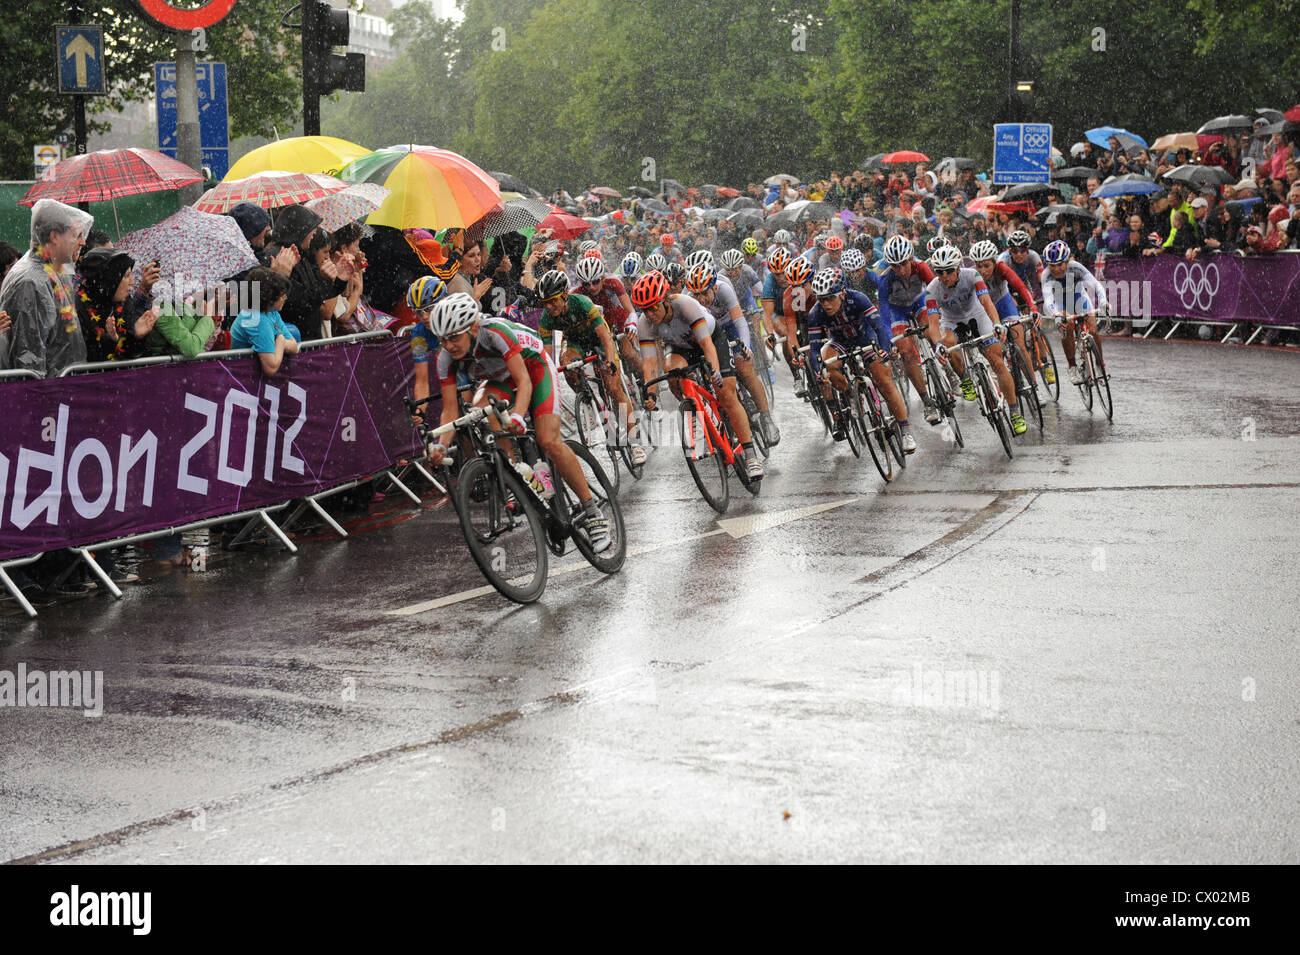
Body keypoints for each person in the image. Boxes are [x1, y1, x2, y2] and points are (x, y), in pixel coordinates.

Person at [424, 293, 613, 551]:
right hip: (499, 379)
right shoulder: (445, 358)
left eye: (454, 337)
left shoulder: (494, 333)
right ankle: (516, 470)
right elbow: (449, 410)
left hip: (534, 368)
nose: (449, 346)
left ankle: (592, 514)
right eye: (443, 340)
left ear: (473, 328)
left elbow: (524, 381)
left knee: (548, 440)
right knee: (477, 413)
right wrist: (442, 445)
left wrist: (517, 415)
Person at [806, 267, 916, 452]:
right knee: (827, 364)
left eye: (830, 298)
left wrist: (883, 350)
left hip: (866, 337)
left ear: (841, 293)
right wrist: (819, 372)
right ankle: (851, 394)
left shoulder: (857, 298)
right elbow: (815, 348)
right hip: (839, 341)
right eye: (821, 299)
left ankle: (905, 432)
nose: (825, 304)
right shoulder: (815, 313)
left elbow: (880, 327)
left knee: (885, 381)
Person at [925, 244, 1026, 435]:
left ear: (957, 268)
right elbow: (932, 323)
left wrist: (996, 323)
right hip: (952, 322)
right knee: (946, 345)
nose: (944, 275)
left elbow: (986, 301)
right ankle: (965, 378)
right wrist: (938, 345)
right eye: (939, 271)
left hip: (977, 316)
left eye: (948, 270)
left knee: (997, 361)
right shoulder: (932, 289)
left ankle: (1015, 412)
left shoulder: (972, 276)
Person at [686, 262, 779, 445]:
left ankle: (767, 418)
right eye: (697, 295)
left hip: (731, 327)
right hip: (708, 332)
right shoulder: (688, 299)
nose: (702, 299)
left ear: (714, 287)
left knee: (745, 369)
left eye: (705, 293)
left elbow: (740, 321)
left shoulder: (724, 289)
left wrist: (745, 346)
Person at [0, 198, 93, 376]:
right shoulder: (30, 281)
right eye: (76, 235)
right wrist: (40, 396)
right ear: (54, 236)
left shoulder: (57, 271)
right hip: (44, 395)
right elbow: (27, 360)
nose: (82, 243)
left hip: (63, 388)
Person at [1039, 240, 1108, 386]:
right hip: (1060, 304)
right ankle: (1072, 366)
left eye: (1060, 264)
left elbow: (1095, 284)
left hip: (1079, 298)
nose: (1056, 269)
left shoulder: (1076, 267)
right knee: (1067, 327)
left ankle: (1099, 364)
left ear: (1067, 261)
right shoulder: (1046, 275)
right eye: (1052, 265)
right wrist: (1057, 314)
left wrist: (1103, 301)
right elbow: (1048, 299)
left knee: (1094, 330)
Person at [76, 247, 159, 362]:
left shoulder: (124, 302)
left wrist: (136, 335)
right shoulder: (79, 307)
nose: (132, 282)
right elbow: (85, 357)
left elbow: (133, 354)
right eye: (126, 276)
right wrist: (109, 340)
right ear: (110, 280)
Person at [274, 204, 343, 341]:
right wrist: (280, 277)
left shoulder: (303, 256)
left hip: (309, 339)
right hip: (294, 341)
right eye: (312, 228)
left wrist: (342, 279)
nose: (315, 233)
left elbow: (320, 294)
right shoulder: (282, 257)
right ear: (301, 230)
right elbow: (301, 304)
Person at [230, 267, 299, 376]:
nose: (285, 297)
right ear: (269, 296)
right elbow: (270, 367)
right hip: (240, 376)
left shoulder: (272, 312)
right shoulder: (256, 319)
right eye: (281, 294)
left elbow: (294, 346)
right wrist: (281, 341)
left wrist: (282, 343)